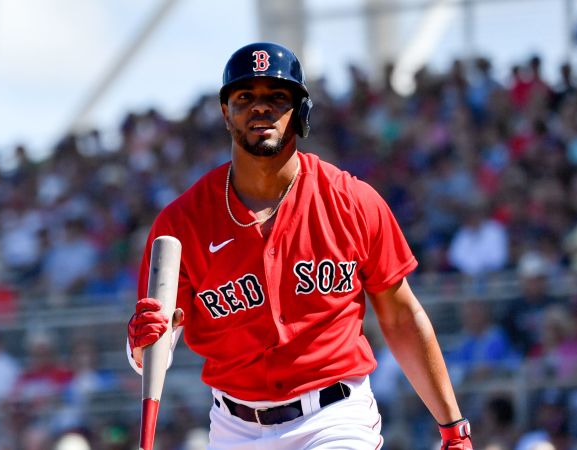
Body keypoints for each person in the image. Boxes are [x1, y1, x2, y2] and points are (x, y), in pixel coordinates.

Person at [126, 42, 472, 449]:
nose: (260, 108)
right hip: (234, 426)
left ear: (301, 110)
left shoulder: (351, 201)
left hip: (334, 417)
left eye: (277, 96)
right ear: (225, 113)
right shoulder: (181, 222)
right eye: (245, 97)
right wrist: (141, 343)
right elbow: (154, 350)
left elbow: (400, 317)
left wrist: (453, 428)